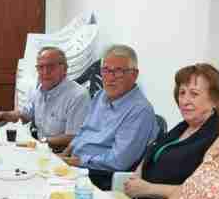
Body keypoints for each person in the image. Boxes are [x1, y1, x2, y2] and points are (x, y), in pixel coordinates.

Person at [59, 44, 160, 190]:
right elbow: (83, 132)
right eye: (106, 70)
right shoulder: (100, 96)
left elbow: (118, 161)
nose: (110, 78)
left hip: (100, 177)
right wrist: (63, 155)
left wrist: (74, 162)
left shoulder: (140, 111)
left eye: (118, 71)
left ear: (134, 75)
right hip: (75, 166)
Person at [123, 63, 219, 199]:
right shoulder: (184, 126)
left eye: (194, 94)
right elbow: (152, 151)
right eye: (182, 93)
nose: (185, 101)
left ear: (215, 100)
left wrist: (148, 189)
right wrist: (137, 176)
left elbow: (200, 190)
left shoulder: (218, 136)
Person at [0, 46, 90, 151]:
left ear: (64, 69)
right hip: (42, 148)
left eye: (51, 66)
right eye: (40, 67)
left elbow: (73, 137)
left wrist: (42, 142)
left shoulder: (78, 95)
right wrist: (4, 115)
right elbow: (25, 114)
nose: (45, 72)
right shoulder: (40, 88)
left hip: (63, 155)